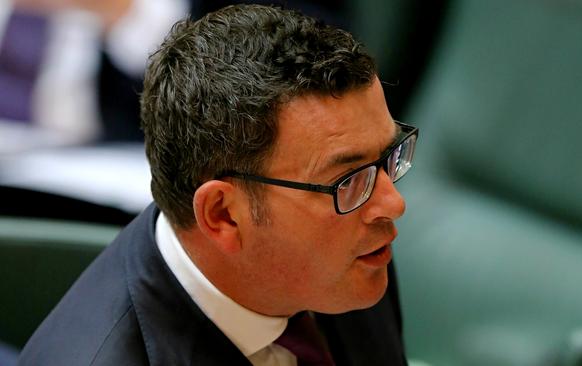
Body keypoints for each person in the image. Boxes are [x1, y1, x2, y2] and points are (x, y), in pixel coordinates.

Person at [18, 4, 418, 365]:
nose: (392, 201)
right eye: (348, 178)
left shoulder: (356, 247)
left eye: (385, 158)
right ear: (223, 215)